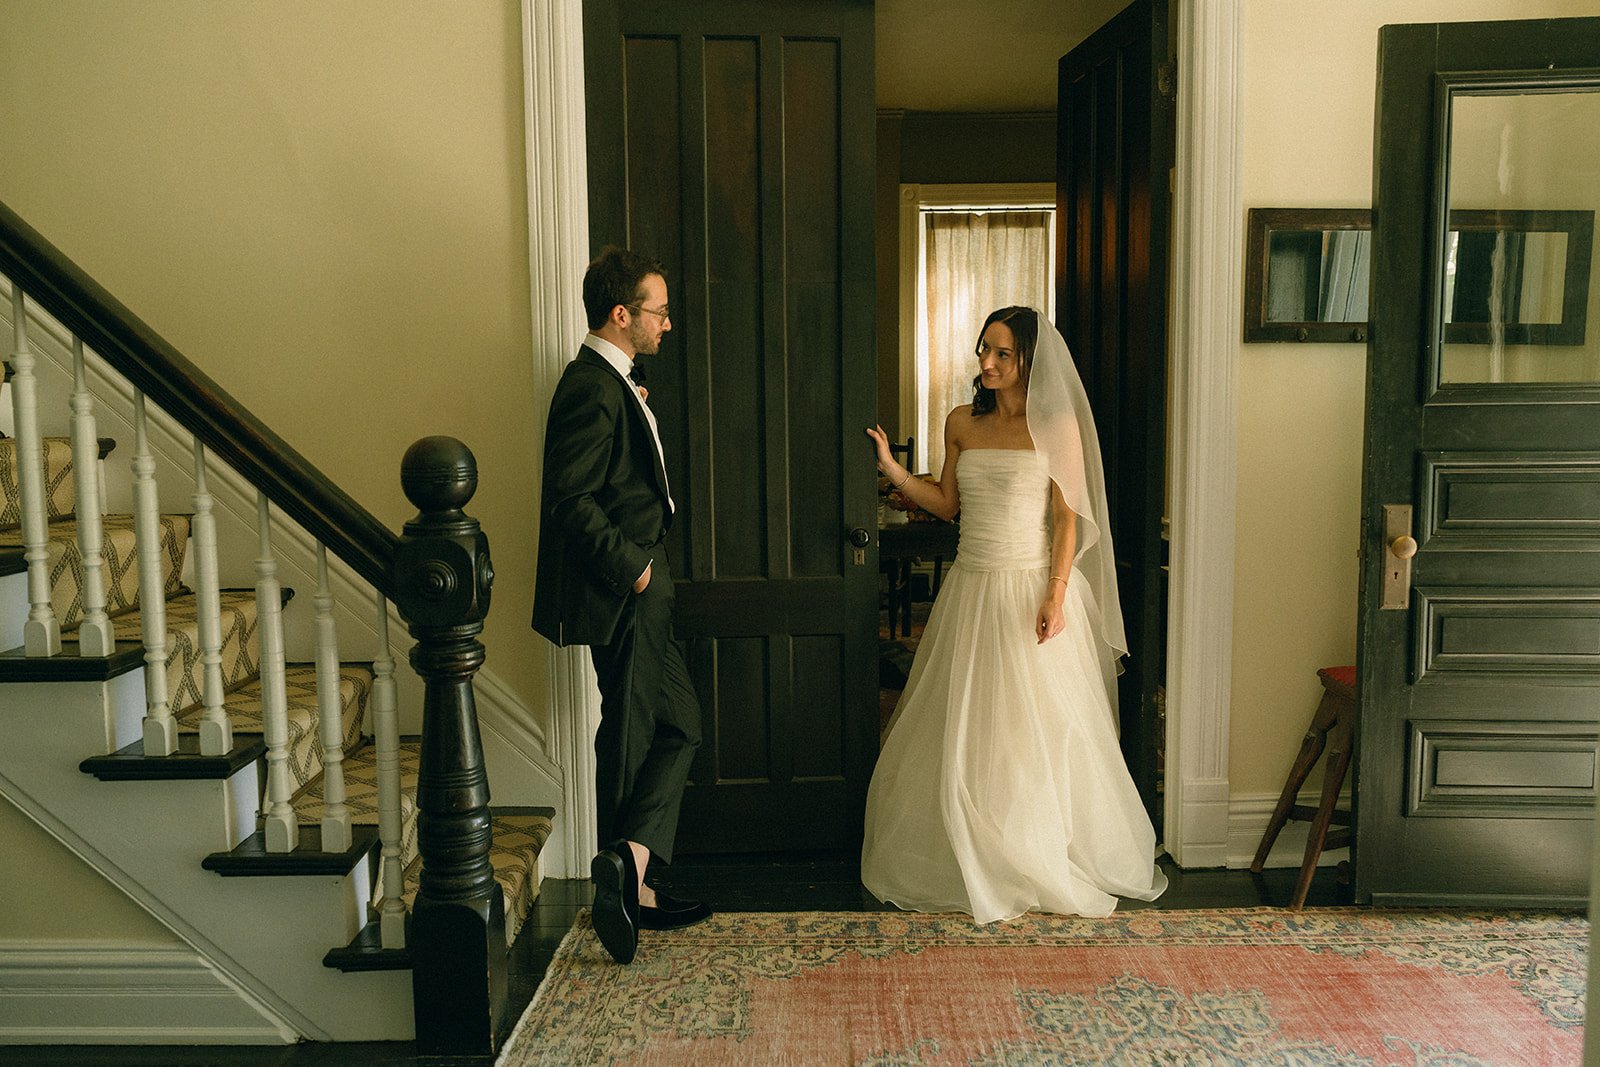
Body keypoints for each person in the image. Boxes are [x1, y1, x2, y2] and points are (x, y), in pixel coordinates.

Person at [860, 306, 1167, 923]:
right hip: (972, 589)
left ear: (1029, 358)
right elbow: (947, 504)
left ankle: (1038, 850)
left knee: (1036, 730)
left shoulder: (1056, 426)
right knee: (966, 723)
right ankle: (970, 848)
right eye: (983, 352)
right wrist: (895, 473)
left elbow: (1066, 518)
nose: (987, 363)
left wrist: (1055, 593)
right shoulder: (960, 423)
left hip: (1032, 588)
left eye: (1001, 353)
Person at [532, 246, 711, 964]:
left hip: (648, 583)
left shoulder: (616, 383)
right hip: (627, 588)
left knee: (681, 724)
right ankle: (625, 885)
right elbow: (570, 499)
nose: (667, 324)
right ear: (621, 314)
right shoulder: (589, 386)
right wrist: (634, 568)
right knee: (633, 732)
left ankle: (628, 866)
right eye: (659, 311)